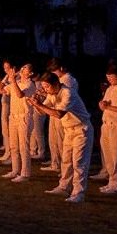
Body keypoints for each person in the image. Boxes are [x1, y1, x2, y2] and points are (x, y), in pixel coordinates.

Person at [30, 73, 94, 203]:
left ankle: (78, 192)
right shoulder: (52, 94)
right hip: (69, 130)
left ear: (55, 84)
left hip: (81, 129)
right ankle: (64, 186)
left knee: (79, 162)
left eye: (47, 86)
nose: (45, 89)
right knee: (66, 160)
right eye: (44, 87)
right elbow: (43, 111)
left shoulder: (68, 93)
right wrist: (36, 103)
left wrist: (41, 105)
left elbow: (59, 114)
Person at [93, 63, 117, 194]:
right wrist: (102, 104)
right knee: (108, 155)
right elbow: (104, 103)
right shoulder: (111, 88)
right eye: (107, 78)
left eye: (111, 77)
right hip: (107, 124)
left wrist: (108, 107)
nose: (109, 80)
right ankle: (111, 181)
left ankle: (116, 184)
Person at [0, 62, 36, 183]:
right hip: (13, 117)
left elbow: (19, 95)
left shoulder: (31, 85)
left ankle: (25, 173)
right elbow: (0, 90)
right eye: (22, 67)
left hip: (24, 117)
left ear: (30, 73)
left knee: (24, 146)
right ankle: (15, 170)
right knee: (13, 146)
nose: (22, 69)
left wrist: (12, 80)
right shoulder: (16, 83)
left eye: (26, 68)